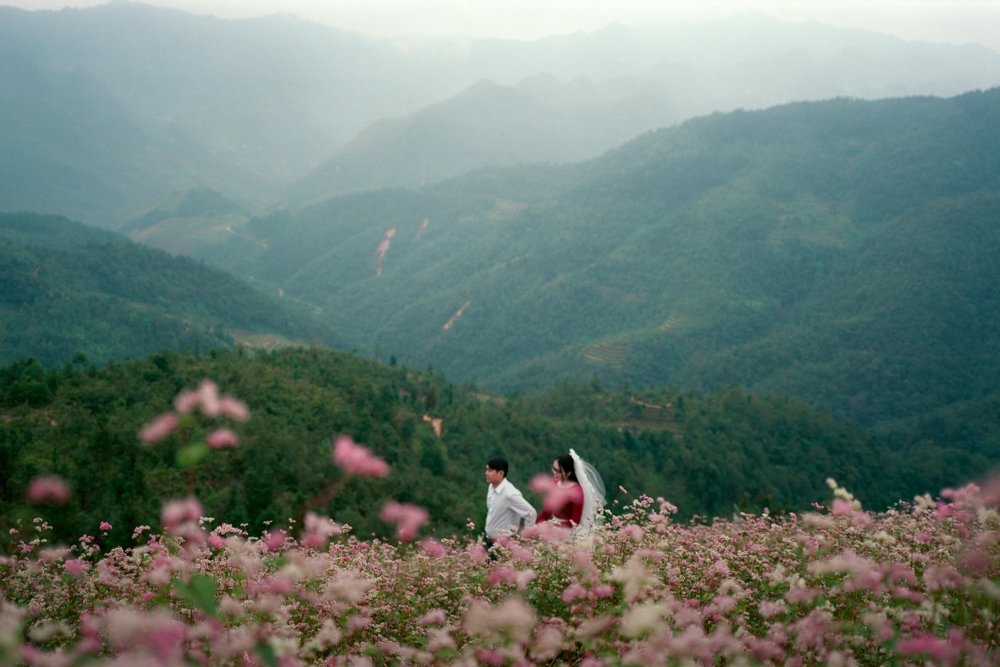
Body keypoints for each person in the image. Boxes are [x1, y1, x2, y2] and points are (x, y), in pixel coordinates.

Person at [536, 449, 605, 535]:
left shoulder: (576, 491)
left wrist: (555, 527)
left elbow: (576, 520)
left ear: (568, 473)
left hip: (567, 533)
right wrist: (537, 525)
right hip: (552, 528)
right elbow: (547, 510)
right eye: (554, 469)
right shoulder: (554, 483)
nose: (554, 473)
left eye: (558, 471)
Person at [484, 457, 537, 552]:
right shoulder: (491, 487)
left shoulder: (510, 493)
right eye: (486, 469)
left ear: (501, 473)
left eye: (490, 470)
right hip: (487, 539)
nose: (486, 473)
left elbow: (531, 513)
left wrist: (526, 538)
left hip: (502, 544)